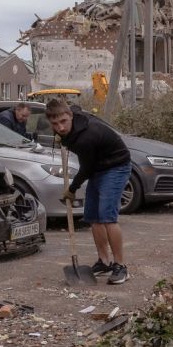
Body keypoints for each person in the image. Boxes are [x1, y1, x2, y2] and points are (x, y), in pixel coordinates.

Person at [45, 99, 131, 285]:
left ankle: (121, 266)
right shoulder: (72, 120)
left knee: (107, 216)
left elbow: (86, 169)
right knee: (93, 216)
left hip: (116, 167)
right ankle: (104, 261)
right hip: (99, 168)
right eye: (55, 124)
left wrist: (72, 189)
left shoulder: (87, 137)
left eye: (63, 122)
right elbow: (73, 108)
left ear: (70, 116)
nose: (60, 127)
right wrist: (62, 138)